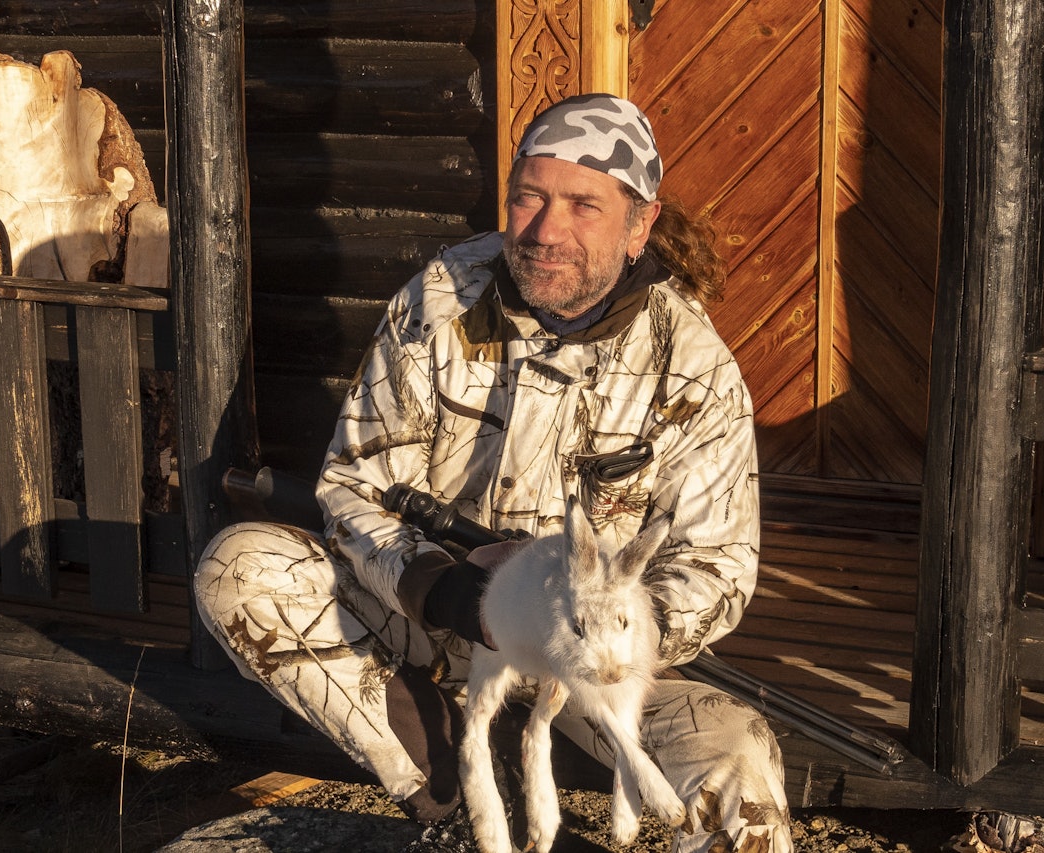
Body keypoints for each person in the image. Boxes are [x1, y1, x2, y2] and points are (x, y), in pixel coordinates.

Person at [195, 93, 793, 852]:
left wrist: (600, 617)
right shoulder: (442, 299)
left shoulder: (693, 367)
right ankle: (447, 773)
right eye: (529, 198)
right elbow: (354, 482)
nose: (545, 231)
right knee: (238, 570)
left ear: (640, 225)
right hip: (431, 630)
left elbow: (719, 567)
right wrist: (446, 589)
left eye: (583, 206)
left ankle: (497, 768)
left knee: (741, 767)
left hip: (597, 671)